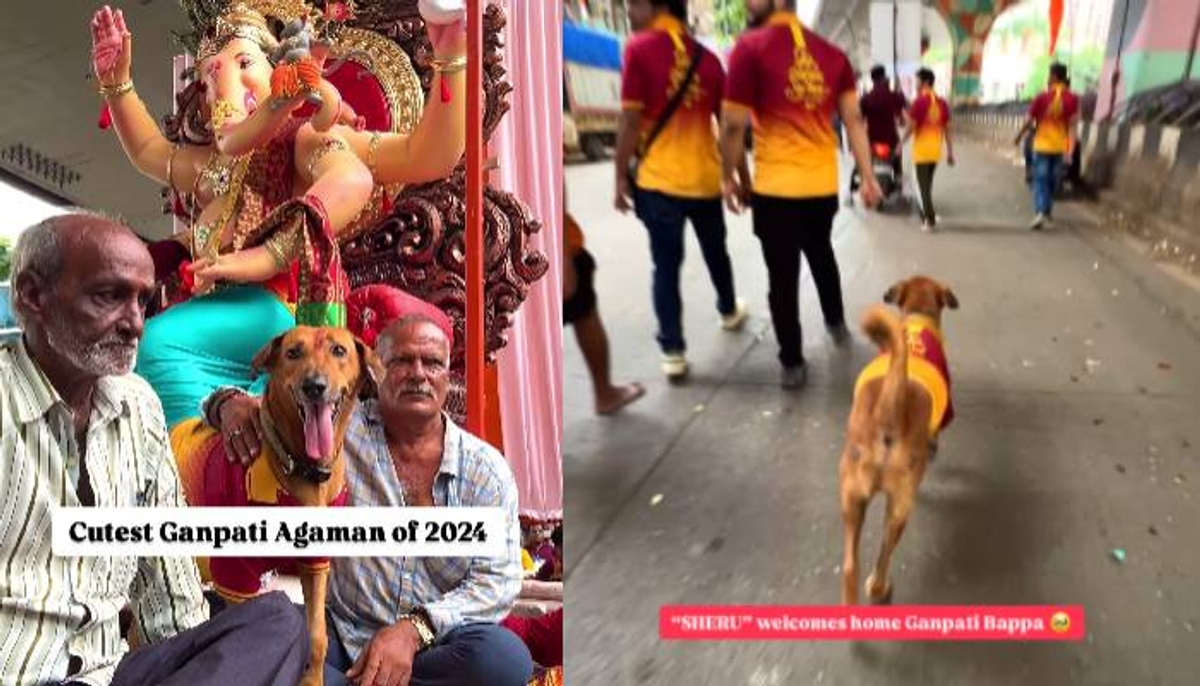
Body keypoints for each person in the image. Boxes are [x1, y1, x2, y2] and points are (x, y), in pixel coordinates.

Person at [89, 1, 467, 435]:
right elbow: (148, 152)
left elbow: (425, 157)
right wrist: (118, 85)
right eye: (210, 74)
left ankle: (193, 463)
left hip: (282, 312)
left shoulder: (305, 141)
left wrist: (451, 56)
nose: (222, 82)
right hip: (219, 316)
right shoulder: (216, 166)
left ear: (278, 74)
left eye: (244, 63)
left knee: (154, 344)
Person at [1, 213, 307, 686]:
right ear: (32, 295)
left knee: (279, 622)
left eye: (143, 300)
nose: (135, 324)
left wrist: (207, 665)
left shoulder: (138, 404)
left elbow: (169, 587)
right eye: (109, 296)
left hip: (109, 675)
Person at [208, 301, 533, 686]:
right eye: (401, 362)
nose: (417, 375)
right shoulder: (337, 431)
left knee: (504, 659)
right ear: (373, 371)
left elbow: (498, 580)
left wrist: (413, 631)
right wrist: (225, 404)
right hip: (339, 636)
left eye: (432, 363)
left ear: (449, 376)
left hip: (433, 649)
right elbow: (266, 408)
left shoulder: (486, 471)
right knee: (266, 635)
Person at [719, 0, 882, 389]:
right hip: (821, 186)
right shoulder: (833, 55)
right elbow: (854, 120)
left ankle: (792, 361)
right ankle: (836, 321)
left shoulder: (749, 47)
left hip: (776, 190)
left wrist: (728, 177)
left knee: (783, 275)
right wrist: (869, 176)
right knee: (821, 252)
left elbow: (731, 126)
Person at [614, 0, 748, 381]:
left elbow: (629, 120)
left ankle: (673, 351)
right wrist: (736, 176)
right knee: (716, 253)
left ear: (656, 6)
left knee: (666, 267)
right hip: (705, 181)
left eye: (633, 5)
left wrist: (620, 176)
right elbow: (730, 127)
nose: (629, 13)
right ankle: (728, 309)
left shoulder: (637, 49)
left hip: (659, 184)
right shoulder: (709, 60)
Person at [564, 204, 645, 415]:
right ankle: (604, 392)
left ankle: (605, 392)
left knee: (584, 313)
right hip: (540, 246)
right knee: (585, 316)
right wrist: (563, 254)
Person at [1013, 62, 1078, 230]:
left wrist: (1019, 137)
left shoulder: (1042, 97)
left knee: (1041, 179)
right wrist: (1070, 150)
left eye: (1049, 75)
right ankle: (1045, 211)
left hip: (1042, 145)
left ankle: (1041, 212)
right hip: (1059, 147)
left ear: (1054, 77)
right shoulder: (1072, 99)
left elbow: (1029, 121)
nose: (1048, 78)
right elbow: (1072, 126)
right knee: (1051, 181)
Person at [903, 68, 954, 232]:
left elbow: (910, 127)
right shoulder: (942, 102)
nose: (915, 83)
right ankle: (928, 215)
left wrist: (900, 143)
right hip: (935, 151)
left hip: (922, 151)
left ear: (924, 82)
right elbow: (948, 129)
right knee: (927, 185)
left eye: (916, 80)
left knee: (923, 187)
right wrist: (950, 152)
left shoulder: (919, 102)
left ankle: (929, 221)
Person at [852, 65, 907, 203]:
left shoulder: (866, 98)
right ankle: (899, 189)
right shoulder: (893, 95)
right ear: (884, 77)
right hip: (890, 139)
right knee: (897, 162)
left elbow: (858, 120)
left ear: (872, 79)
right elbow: (903, 107)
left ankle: (850, 191)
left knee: (860, 163)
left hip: (871, 140)